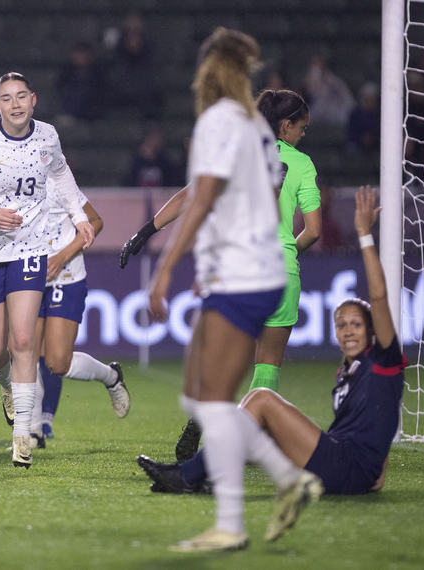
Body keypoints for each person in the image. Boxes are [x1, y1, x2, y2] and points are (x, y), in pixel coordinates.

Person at [146, 28, 322, 553]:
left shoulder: (219, 123)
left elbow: (200, 201)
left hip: (243, 276)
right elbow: (268, 204)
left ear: (209, 73)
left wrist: (166, 268)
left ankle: (232, 523)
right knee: (199, 395)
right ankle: (286, 479)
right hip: (261, 273)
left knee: (213, 401)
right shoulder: (260, 133)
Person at [138, 186, 406, 503]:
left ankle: (191, 474)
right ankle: (200, 474)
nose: (347, 331)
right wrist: (381, 468)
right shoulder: (347, 372)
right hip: (341, 458)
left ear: (373, 330)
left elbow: (378, 297)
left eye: (356, 324)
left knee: (262, 399)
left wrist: (364, 235)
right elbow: (378, 423)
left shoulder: (385, 360)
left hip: (345, 466)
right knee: (257, 406)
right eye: (341, 325)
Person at [123, 89, 323, 460]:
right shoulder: (303, 164)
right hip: (282, 272)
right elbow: (313, 230)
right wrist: (289, 249)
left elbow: (191, 196)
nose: (303, 134)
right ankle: (249, 439)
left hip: (241, 268)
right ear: (286, 125)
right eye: (301, 127)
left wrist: (146, 231)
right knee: (267, 367)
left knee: (225, 361)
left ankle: (206, 420)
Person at [0, 72, 94, 468]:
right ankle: (7, 388)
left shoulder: (48, 136)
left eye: (21, 96)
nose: (15, 104)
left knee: (24, 341)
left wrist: (79, 216)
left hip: (30, 249)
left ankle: (22, 435)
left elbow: (60, 172)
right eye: (6, 99)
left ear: (33, 100)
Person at [27, 181, 130, 447]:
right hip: (27, 277)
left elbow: (95, 221)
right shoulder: (11, 181)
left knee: (57, 364)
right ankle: (33, 432)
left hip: (66, 276)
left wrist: (62, 256)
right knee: (24, 353)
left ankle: (111, 376)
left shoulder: (57, 183)